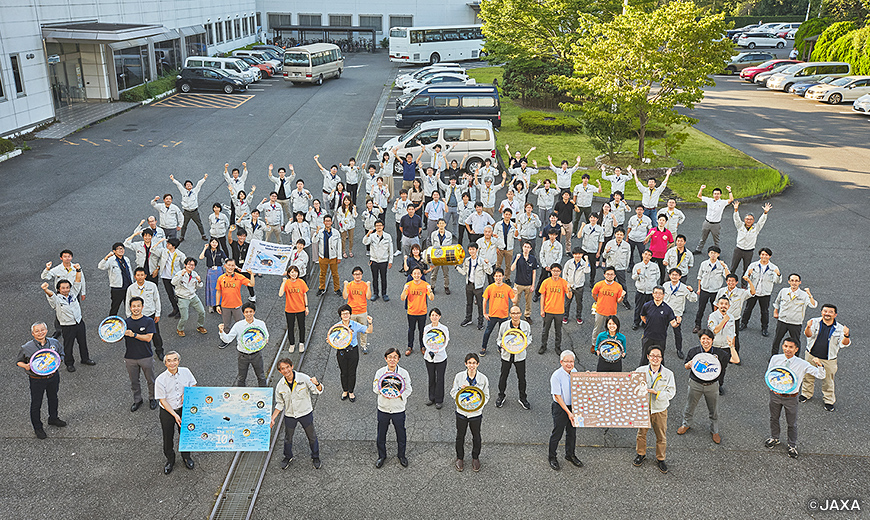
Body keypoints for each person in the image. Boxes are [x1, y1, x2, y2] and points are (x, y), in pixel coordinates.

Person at [766, 338, 826, 459]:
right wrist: (771, 387)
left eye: (791, 347)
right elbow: (770, 374)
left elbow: (820, 375)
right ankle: (774, 438)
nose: (787, 349)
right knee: (774, 418)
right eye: (785, 346)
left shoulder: (802, 364)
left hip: (791, 398)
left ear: (796, 349)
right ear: (782, 346)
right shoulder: (775, 358)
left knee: (791, 423)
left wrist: (820, 365)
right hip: (775, 395)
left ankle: (792, 445)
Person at [677, 330, 739, 444]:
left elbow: (736, 360)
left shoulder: (719, 352)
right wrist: (688, 365)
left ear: (712, 340)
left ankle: (714, 431)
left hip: (712, 385)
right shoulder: (694, 351)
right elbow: (686, 366)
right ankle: (686, 424)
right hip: (695, 384)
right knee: (690, 406)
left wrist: (731, 346)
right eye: (703, 339)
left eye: (708, 339)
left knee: (713, 410)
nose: (705, 341)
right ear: (700, 340)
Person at [17, 322, 67, 439]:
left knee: (53, 398)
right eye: (37, 331)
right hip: (36, 379)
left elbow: (61, 354)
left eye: (42, 330)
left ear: (46, 330)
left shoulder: (54, 342)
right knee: (36, 403)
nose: (40, 332)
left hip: (53, 376)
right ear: (33, 333)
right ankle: (38, 428)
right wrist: (26, 366)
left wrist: (58, 361)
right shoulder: (27, 347)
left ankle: (53, 418)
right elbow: (19, 361)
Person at [272, 358, 322, 470]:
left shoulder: (303, 378)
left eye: (287, 367)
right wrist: (273, 418)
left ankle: (315, 457)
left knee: (312, 437)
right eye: (283, 369)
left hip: (305, 413)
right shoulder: (280, 386)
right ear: (280, 371)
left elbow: (318, 391)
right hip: (290, 415)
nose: (286, 370)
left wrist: (317, 383)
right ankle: (288, 457)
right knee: (288, 438)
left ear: (292, 366)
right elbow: (280, 404)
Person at [41, 267, 93, 372]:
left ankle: (85, 359)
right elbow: (51, 295)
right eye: (63, 288)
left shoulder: (73, 293)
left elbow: (77, 281)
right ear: (59, 289)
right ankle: (69, 363)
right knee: (68, 345)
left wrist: (78, 270)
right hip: (67, 326)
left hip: (79, 322)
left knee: (83, 342)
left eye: (67, 287)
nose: (66, 290)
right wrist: (45, 289)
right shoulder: (57, 299)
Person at [634, 345, 676, 473]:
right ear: (648, 357)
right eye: (652, 355)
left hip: (660, 409)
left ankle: (661, 458)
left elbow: (671, 392)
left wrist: (656, 393)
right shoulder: (640, 370)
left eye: (658, 356)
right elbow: (632, 385)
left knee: (661, 435)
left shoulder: (668, 374)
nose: (655, 358)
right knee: (641, 433)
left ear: (662, 358)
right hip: (644, 408)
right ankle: (641, 454)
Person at [800, 304, 850, 412]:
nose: (827, 314)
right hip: (811, 355)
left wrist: (846, 335)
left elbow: (844, 344)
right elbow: (808, 335)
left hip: (829, 360)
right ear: (821, 312)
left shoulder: (840, 328)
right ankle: (806, 394)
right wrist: (808, 327)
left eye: (830, 312)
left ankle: (829, 401)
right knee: (808, 376)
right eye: (825, 311)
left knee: (828, 380)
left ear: (835, 315)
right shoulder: (814, 321)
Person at [154, 351, 196, 474]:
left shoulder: (186, 372)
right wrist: (175, 415)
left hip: (184, 408)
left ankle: (186, 457)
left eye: (175, 360)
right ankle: (170, 460)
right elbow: (163, 401)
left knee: (185, 434)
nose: (172, 363)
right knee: (168, 436)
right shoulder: (160, 379)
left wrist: (186, 393)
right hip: (167, 411)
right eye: (169, 361)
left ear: (178, 361)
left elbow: (193, 385)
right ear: (165, 363)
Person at [450, 353, 490, 472]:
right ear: (465, 364)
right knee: (460, 436)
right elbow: (452, 392)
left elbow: (486, 396)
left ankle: (475, 457)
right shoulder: (459, 376)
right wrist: (460, 391)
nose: (471, 365)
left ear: (477, 364)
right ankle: (460, 458)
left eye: (474, 363)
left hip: (476, 413)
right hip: (461, 412)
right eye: (469, 363)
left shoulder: (483, 378)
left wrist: (478, 405)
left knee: (476, 436)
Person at [374, 348, 413, 468]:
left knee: (401, 434)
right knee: (381, 434)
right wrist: (382, 389)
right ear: (386, 359)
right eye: (390, 357)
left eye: (395, 357)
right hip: (383, 408)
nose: (392, 359)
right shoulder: (380, 372)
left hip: (398, 409)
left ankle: (401, 455)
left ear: (398, 359)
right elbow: (375, 388)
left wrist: (400, 395)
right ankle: (381, 456)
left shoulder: (404, 373)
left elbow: (409, 389)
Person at [219, 302, 268, 387]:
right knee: (241, 378)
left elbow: (266, 336)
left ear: (254, 312)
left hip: (256, 354)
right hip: (243, 355)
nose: (249, 314)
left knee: (261, 376)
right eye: (246, 312)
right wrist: (221, 332)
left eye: (251, 311)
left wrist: (265, 340)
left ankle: (264, 394)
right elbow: (228, 339)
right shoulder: (238, 325)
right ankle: (241, 394)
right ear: (243, 313)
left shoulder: (261, 324)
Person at [548, 350, 583, 471]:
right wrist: (569, 413)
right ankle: (552, 457)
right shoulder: (556, 376)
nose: (569, 364)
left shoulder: (575, 372)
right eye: (566, 361)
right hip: (560, 408)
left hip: (573, 406)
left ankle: (570, 455)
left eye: (571, 361)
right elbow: (557, 397)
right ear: (561, 362)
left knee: (572, 433)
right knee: (557, 433)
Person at [41, 250, 86, 339]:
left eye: (69, 256)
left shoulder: (76, 267)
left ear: (71, 257)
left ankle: (76, 327)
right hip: (61, 294)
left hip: (73, 293)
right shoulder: (57, 269)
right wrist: (47, 269)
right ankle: (58, 330)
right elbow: (45, 276)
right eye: (65, 256)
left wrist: (83, 292)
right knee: (60, 312)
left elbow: (81, 280)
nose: (67, 258)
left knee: (75, 310)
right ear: (61, 258)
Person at [123, 297, 158, 412]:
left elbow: (148, 338)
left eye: (138, 306)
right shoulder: (125, 323)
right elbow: (118, 336)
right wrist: (108, 337)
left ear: (142, 307)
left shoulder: (148, 321)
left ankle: (152, 398)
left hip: (146, 356)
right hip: (130, 357)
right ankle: (137, 400)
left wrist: (134, 335)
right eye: (134, 306)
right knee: (134, 381)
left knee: (150, 380)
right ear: (130, 308)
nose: (136, 308)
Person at [770, 273, 816, 357]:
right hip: (783, 320)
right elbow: (777, 302)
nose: (794, 283)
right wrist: (775, 311)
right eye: (792, 280)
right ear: (789, 282)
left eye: (796, 281)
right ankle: (774, 356)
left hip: (795, 323)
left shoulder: (804, 295)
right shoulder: (783, 291)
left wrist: (810, 295)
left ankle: (795, 358)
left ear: (800, 282)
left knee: (796, 342)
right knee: (777, 339)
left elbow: (813, 305)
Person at [333, 304, 373, 402]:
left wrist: (370, 323)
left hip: (353, 351)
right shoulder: (337, 326)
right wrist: (330, 340)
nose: (345, 315)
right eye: (343, 314)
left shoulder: (355, 325)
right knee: (343, 372)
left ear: (350, 314)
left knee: (352, 372)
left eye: (347, 313)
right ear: (340, 315)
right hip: (341, 351)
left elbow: (368, 331)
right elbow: (332, 339)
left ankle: (351, 391)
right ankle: (345, 390)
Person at [741, 247, 781, 337]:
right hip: (753, 292)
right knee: (748, 309)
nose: (764, 256)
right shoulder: (753, 265)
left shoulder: (774, 268)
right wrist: (749, 274)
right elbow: (745, 277)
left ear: (769, 256)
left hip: (765, 293)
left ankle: (764, 328)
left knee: (764, 311)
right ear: (760, 255)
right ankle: (743, 323)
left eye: (766, 255)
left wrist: (778, 274)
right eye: (762, 254)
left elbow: (777, 281)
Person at [126, 267, 164, 360]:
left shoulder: (152, 286)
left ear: (145, 276)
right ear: (135, 276)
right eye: (138, 275)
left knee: (156, 335)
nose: (140, 277)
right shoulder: (131, 288)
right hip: (137, 317)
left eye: (142, 275)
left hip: (150, 315)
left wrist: (157, 313)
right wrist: (129, 317)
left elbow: (157, 300)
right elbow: (127, 303)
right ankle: (140, 353)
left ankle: (159, 351)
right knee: (138, 335)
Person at [216, 259, 254, 348]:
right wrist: (217, 305)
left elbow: (251, 284)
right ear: (225, 266)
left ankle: (243, 340)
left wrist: (251, 274)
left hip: (237, 305)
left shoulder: (239, 277)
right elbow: (218, 291)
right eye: (229, 265)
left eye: (232, 265)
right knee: (226, 325)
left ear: (235, 267)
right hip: (225, 306)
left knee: (241, 324)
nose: (230, 267)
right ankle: (225, 340)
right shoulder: (221, 278)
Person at [730, 201, 771, 282]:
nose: (748, 221)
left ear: (753, 220)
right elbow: (736, 219)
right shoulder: (740, 226)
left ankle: (744, 284)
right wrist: (736, 210)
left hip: (749, 251)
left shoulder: (756, 228)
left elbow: (761, 221)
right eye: (747, 219)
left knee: (746, 269)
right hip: (738, 249)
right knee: (733, 267)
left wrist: (765, 213)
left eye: (751, 219)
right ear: (744, 220)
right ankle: (730, 282)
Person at [716, 273, 755, 356]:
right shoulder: (721, 291)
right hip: (721, 318)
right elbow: (716, 304)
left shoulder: (741, 292)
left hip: (734, 319)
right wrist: (715, 315)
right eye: (729, 281)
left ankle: (735, 355)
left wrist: (749, 281)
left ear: (736, 282)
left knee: (734, 337)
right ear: (726, 281)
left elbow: (753, 292)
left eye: (733, 281)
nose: (731, 283)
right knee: (720, 335)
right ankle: (721, 354)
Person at [662, 268, 697, 360]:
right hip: (665, 312)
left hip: (676, 314)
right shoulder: (665, 285)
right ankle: (661, 347)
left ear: (680, 277)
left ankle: (679, 349)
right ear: (669, 276)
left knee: (677, 333)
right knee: (662, 331)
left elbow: (693, 299)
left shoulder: (684, 288)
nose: (674, 277)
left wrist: (691, 291)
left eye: (676, 275)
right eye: (672, 275)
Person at [480, 268, 516, 356]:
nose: (498, 278)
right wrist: (484, 313)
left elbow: (514, 301)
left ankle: (500, 347)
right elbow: (484, 300)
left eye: (500, 276)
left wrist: (516, 293)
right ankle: (483, 347)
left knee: (503, 333)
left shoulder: (507, 288)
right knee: (487, 332)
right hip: (492, 315)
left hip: (504, 315)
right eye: (496, 276)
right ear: (494, 277)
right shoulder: (490, 288)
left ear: (503, 276)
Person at [693, 247, 729, 334]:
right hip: (704, 290)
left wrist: (724, 266)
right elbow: (699, 277)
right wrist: (699, 289)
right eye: (711, 252)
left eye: (715, 253)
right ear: (708, 254)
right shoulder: (704, 264)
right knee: (701, 309)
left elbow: (728, 277)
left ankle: (716, 325)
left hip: (716, 291)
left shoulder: (721, 265)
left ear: (718, 255)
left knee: (715, 309)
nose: (713, 254)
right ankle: (697, 325)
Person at [639, 286, 678, 363]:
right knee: (644, 357)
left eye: (660, 293)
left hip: (660, 338)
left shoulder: (667, 309)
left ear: (663, 295)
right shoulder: (647, 305)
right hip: (648, 336)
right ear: (652, 294)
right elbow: (642, 316)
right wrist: (649, 323)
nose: (657, 295)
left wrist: (678, 322)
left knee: (659, 358)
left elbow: (673, 324)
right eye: (656, 293)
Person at [539, 263, 572, 354]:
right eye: (554, 270)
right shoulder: (546, 282)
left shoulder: (563, 282)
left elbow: (569, 296)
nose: (556, 273)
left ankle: (557, 347)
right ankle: (543, 346)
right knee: (545, 330)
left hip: (559, 311)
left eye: (557, 271)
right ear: (551, 271)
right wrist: (542, 310)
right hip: (548, 310)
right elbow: (542, 296)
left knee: (558, 331)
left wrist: (569, 289)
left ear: (560, 272)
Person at [402, 267, 434, 356]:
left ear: (421, 275)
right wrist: (404, 290)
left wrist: (430, 289)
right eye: (415, 274)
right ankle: (410, 346)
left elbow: (431, 298)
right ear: (412, 275)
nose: (416, 275)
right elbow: (403, 298)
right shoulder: (408, 285)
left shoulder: (425, 285)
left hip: (422, 312)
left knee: (422, 330)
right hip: (411, 312)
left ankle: (422, 346)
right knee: (411, 330)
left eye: (418, 273)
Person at [458, 243, 491, 330]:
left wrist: (488, 263)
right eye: (470, 249)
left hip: (478, 287)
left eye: (473, 249)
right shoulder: (467, 260)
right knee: (469, 303)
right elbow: (464, 272)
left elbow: (490, 272)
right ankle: (468, 319)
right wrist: (456, 267)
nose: (471, 251)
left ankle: (480, 322)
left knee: (480, 305)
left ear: (477, 250)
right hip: (469, 284)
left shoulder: (482, 261)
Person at [171, 257, 207, 337]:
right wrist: (181, 275)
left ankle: (200, 326)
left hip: (193, 296)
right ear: (185, 265)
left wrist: (199, 281)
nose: (191, 266)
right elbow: (173, 282)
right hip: (183, 298)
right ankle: (180, 329)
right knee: (185, 317)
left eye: (193, 265)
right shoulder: (180, 273)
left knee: (202, 312)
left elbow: (199, 286)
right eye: (189, 264)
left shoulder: (195, 274)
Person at [694, 185, 734, 252]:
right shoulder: (709, 200)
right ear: (713, 194)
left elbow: (731, 199)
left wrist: (729, 191)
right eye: (715, 194)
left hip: (716, 224)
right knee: (703, 238)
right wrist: (701, 189)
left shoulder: (722, 202)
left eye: (718, 194)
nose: (716, 195)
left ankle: (716, 252)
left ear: (720, 195)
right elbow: (699, 196)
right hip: (707, 222)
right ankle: (698, 250)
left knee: (716, 240)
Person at [98, 242, 134, 316]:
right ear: (114, 251)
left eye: (122, 248)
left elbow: (129, 272)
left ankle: (131, 321)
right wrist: (106, 257)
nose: (121, 250)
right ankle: (112, 320)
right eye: (119, 249)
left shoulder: (126, 259)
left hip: (128, 287)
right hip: (117, 288)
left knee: (130, 306)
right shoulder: (111, 260)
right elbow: (101, 266)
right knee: (115, 307)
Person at [170, 174, 209, 242]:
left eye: (190, 184)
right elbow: (178, 185)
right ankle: (182, 237)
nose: (189, 185)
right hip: (186, 212)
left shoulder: (195, 191)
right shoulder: (183, 191)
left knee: (199, 224)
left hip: (194, 211)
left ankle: (203, 235)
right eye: (187, 185)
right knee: (184, 225)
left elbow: (199, 184)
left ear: (192, 186)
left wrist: (204, 178)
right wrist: (173, 179)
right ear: (185, 186)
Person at [423, 308, 449, 409]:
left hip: (440, 357)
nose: (434, 317)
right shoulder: (426, 328)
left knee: (440, 379)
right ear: (430, 317)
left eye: (436, 315)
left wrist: (438, 348)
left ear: (439, 317)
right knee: (431, 377)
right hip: (429, 357)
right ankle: (431, 397)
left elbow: (446, 341)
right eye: (432, 315)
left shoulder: (444, 328)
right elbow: (425, 340)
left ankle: (439, 400)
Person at [280, 265, 308, 353]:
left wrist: (306, 307)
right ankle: (292, 344)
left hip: (301, 308)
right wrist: (284, 282)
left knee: (301, 327)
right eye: (292, 272)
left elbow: (304, 294)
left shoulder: (301, 282)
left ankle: (301, 343)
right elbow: (280, 294)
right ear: (288, 273)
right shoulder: (287, 282)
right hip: (289, 309)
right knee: (290, 327)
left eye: (295, 272)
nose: (294, 274)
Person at [343, 267, 372, 354]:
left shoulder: (364, 285)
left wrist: (368, 286)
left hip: (362, 311)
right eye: (355, 274)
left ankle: (363, 345)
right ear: (353, 275)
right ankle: (350, 344)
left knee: (364, 330)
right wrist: (345, 285)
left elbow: (368, 297)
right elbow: (345, 296)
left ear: (362, 275)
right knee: (350, 330)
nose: (357, 276)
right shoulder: (349, 285)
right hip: (351, 312)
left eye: (359, 274)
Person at [591, 267, 626, 339]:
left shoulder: (618, 287)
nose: (609, 276)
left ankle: (610, 342)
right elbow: (594, 294)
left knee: (611, 330)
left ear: (614, 276)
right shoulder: (599, 284)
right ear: (604, 275)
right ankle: (594, 343)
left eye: (611, 274)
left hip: (611, 312)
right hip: (600, 311)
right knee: (597, 329)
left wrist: (622, 297)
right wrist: (598, 301)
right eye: (608, 274)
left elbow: (618, 301)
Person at [363, 219, 393, 301]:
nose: (378, 227)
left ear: (383, 226)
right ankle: (375, 293)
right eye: (377, 226)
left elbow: (390, 249)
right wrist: (368, 234)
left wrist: (390, 261)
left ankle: (384, 294)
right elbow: (365, 242)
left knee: (383, 278)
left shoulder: (387, 236)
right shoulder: (372, 236)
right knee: (375, 278)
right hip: (374, 260)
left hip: (384, 260)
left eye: (380, 225)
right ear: (375, 227)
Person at [312, 215, 342, 296]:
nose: (328, 222)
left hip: (333, 257)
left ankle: (337, 289)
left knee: (335, 274)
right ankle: (321, 288)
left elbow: (339, 246)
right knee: (322, 274)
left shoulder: (336, 233)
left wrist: (339, 257)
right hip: (323, 257)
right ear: (324, 222)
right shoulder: (320, 232)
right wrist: (316, 232)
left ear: (331, 222)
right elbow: (314, 241)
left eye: (329, 221)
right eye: (326, 221)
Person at [602, 228, 632, 310]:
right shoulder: (609, 243)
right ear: (615, 234)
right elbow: (604, 256)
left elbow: (628, 257)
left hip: (620, 268)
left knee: (623, 285)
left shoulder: (627, 245)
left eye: (621, 235)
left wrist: (625, 267)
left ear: (623, 236)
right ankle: (609, 300)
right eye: (618, 234)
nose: (619, 236)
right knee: (609, 285)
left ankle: (625, 300)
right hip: (610, 268)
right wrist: (607, 252)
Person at [632, 250, 661, 330]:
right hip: (640, 291)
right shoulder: (637, 266)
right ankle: (636, 323)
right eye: (645, 254)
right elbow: (633, 277)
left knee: (650, 309)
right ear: (642, 255)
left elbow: (657, 276)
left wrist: (651, 284)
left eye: (649, 255)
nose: (647, 256)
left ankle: (646, 323)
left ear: (651, 257)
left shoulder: (655, 266)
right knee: (638, 308)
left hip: (651, 292)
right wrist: (637, 274)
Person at [511, 241, 539, 323]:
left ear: (530, 249)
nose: (526, 248)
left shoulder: (533, 259)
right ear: (522, 247)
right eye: (525, 246)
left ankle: (527, 315)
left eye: (528, 247)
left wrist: (533, 285)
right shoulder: (518, 257)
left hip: (528, 284)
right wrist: (516, 259)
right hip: (518, 284)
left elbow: (534, 272)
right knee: (515, 302)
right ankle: (514, 315)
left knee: (528, 302)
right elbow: (512, 269)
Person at [535, 228, 564, 302]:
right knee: (541, 281)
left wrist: (553, 267)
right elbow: (541, 255)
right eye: (550, 235)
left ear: (556, 236)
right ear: (548, 235)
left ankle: (551, 296)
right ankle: (537, 294)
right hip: (545, 267)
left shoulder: (559, 245)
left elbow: (559, 257)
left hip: (553, 268)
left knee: (553, 282)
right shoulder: (545, 244)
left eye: (554, 235)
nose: (552, 236)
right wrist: (545, 265)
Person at [158, 238, 185, 317]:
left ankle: (181, 310)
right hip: (165, 276)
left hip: (175, 277)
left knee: (179, 294)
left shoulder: (180, 254)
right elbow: (153, 249)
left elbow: (186, 264)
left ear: (173, 246)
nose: (167, 245)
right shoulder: (164, 251)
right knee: (170, 294)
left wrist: (183, 273)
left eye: (169, 244)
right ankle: (175, 309)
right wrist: (159, 241)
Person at [563, 248, 590, 325]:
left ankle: (578, 316)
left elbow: (587, 271)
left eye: (579, 254)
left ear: (582, 255)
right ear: (573, 254)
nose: (577, 256)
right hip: (570, 286)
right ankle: (565, 316)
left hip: (579, 287)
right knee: (567, 302)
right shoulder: (569, 262)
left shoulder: (584, 263)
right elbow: (564, 273)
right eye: (575, 254)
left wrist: (587, 260)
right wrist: (566, 284)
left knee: (579, 303)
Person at [200, 238, 227, 313]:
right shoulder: (208, 251)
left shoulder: (220, 252)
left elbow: (226, 259)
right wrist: (205, 248)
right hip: (211, 270)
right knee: (211, 288)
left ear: (218, 244)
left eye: (216, 242)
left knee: (220, 288)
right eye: (212, 242)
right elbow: (201, 257)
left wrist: (231, 264)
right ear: (210, 243)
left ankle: (220, 304)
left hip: (219, 270)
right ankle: (211, 305)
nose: (214, 244)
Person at [644, 215, 673, 284]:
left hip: (662, 255)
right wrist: (650, 234)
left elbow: (671, 242)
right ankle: (649, 282)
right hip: (652, 254)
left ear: (665, 222)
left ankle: (662, 284)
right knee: (649, 269)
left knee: (662, 271)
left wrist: (666, 248)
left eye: (663, 220)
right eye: (660, 220)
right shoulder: (653, 230)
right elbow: (645, 240)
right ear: (657, 221)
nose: (661, 222)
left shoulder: (668, 232)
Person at [576, 212, 604, 284]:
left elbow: (601, 241)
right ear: (589, 219)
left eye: (594, 218)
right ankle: (580, 280)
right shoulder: (586, 227)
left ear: (597, 219)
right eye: (591, 217)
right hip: (584, 249)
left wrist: (598, 252)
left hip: (593, 251)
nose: (593, 219)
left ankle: (592, 281)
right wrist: (582, 227)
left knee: (593, 267)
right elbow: (579, 236)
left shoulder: (600, 229)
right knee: (581, 265)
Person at [229, 228, 255, 302]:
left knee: (248, 282)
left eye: (244, 236)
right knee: (234, 282)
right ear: (237, 236)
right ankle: (234, 296)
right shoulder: (234, 244)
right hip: (236, 267)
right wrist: (230, 231)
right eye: (240, 236)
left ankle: (252, 296)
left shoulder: (248, 245)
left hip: (245, 267)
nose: (242, 237)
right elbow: (229, 239)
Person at [429, 218, 453, 293]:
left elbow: (449, 246)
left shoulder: (449, 234)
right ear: (437, 225)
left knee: (446, 273)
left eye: (443, 223)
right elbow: (432, 244)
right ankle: (432, 287)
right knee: (434, 273)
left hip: (445, 257)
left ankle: (446, 287)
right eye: (440, 223)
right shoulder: (434, 234)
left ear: (445, 224)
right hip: (436, 256)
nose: (441, 225)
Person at [494, 209, 518, 282]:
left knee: (508, 265)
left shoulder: (513, 225)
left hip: (509, 249)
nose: (507, 216)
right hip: (500, 248)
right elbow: (494, 236)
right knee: (498, 264)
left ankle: (507, 278)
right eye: (506, 214)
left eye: (509, 214)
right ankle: (497, 277)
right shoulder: (498, 224)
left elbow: (516, 236)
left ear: (511, 216)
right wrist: (496, 247)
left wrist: (516, 228)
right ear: (503, 215)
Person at [626, 206, 652, 270]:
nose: (639, 211)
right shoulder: (632, 218)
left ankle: (642, 266)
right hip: (632, 238)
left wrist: (647, 239)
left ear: (643, 211)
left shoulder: (647, 219)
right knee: (630, 253)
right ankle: (631, 266)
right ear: (636, 210)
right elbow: (629, 228)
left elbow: (650, 230)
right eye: (638, 209)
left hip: (641, 240)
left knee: (642, 254)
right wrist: (627, 238)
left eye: (641, 210)